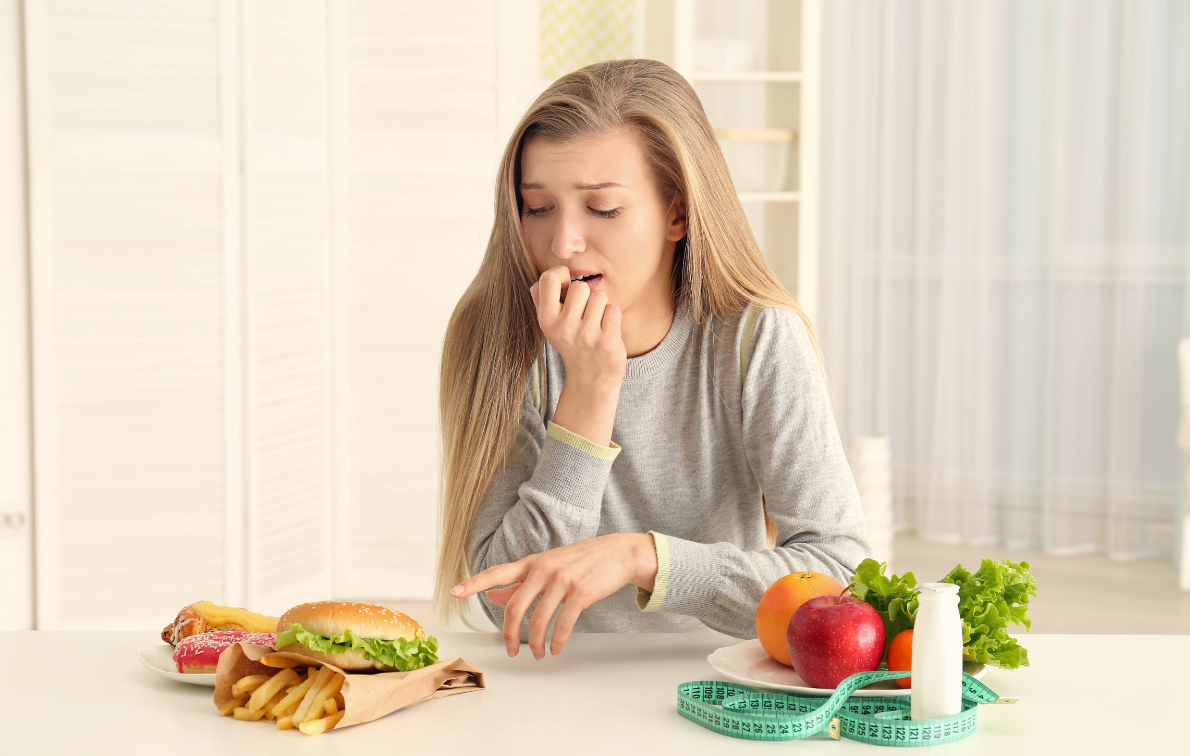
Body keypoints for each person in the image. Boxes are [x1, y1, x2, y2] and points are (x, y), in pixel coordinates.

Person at [436, 59, 871, 662]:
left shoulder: (758, 338)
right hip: (545, 687)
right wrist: (588, 393)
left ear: (677, 213)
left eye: (603, 209)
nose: (563, 242)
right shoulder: (500, 339)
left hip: (723, 683)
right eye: (538, 208)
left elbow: (839, 575)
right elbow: (502, 594)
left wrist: (643, 558)